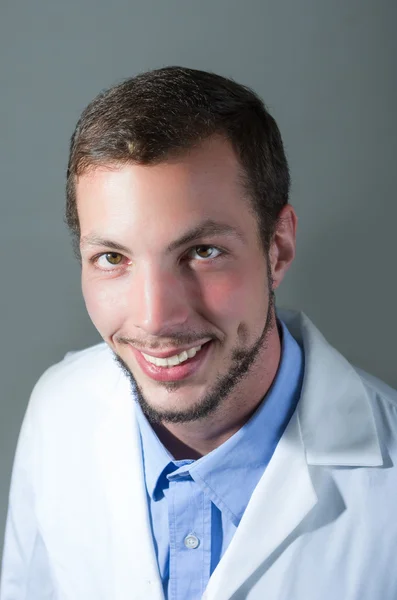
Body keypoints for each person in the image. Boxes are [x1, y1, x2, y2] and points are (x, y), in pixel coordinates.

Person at [1, 66, 396, 600]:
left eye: (202, 252)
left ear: (276, 248)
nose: (156, 318)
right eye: (112, 257)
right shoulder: (56, 409)